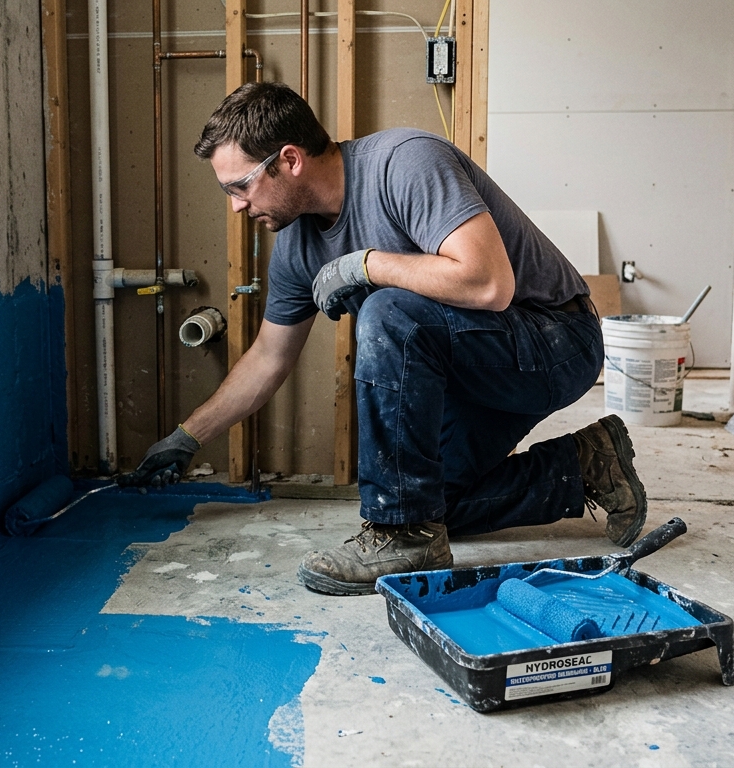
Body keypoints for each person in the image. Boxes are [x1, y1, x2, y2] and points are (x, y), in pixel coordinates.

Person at [118, 82, 647, 596]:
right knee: (432, 503)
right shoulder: (296, 248)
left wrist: (367, 265)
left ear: (289, 159)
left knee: (389, 310)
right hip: (475, 367)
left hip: (556, 339)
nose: (235, 205)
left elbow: (490, 283)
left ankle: (398, 537)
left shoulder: (405, 162)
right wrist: (187, 437)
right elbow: (268, 358)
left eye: (239, 186)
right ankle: (587, 464)